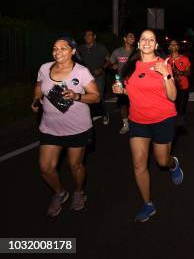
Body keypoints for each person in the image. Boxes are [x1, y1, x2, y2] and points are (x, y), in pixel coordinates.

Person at [112, 29, 184, 223]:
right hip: (138, 121)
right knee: (138, 163)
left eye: (151, 39)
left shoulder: (163, 64)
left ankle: (173, 163)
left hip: (163, 119)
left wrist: (166, 75)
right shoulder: (130, 66)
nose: (146, 42)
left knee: (162, 161)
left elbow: (173, 96)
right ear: (139, 44)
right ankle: (148, 204)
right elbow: (133, 91)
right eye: (143, 39)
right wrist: (121, 90)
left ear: (156, 45)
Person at [32, 37, 101, 217]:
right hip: (50, 127)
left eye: (63, 48)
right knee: (46, 167)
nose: (58, 51)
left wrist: (77, 96)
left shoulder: (81, 71)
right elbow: (39, 86)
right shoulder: (45, 68)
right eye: (55, 48)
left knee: (75, 165)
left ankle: (79, 192)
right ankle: (60, 193)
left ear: (72, 51)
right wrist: (35, 99)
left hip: (77, 128)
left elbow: (95, 97)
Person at [77, 30, 110, 124]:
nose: (87, 37)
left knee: (98, 96)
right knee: (86, 97)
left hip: (98, 76)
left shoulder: (101, 47)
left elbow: (108, 60)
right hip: (85, 77)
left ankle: (104, 113)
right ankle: (88, 116)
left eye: (89, 35)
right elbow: (76, 58)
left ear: (94, 37)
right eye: (86, 35)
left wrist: (101, 69)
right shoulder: (81, 48)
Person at [110, 32, 136, 134]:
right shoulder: (117, 51)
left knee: (135, 104)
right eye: (130, 36)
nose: (133, 38)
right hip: (122, 82)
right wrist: (113, 66)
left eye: (133, 36)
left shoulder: (137, 51)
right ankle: (126, 125)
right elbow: (111, 63)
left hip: (135, 83)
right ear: (125, 39)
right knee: (123, 105)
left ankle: (136, 124)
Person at [168, 39, 191, 126]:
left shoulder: (184, 58)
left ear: (178, 47)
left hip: (183, 87)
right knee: (173, 108)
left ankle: (180, 124)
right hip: (171, 87)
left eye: (175, 45)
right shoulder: (166, 59)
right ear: (169, 47)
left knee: (181, 109)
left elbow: (189, 73)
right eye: (171, 45)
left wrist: (180, 72)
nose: (173, 46)